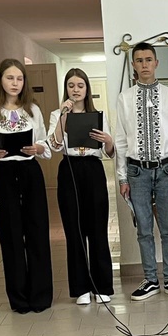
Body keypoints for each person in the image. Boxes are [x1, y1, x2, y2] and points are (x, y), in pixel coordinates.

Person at [115, 42, 168, 300]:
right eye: (139, 60)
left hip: (167, 170)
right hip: (137, 173)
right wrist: (122, 177)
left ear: (156, 63)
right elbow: (121, 140)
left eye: (148, 59)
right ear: (133, 65)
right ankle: (150, 279)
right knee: (144, 229)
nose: (144, 64)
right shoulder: (125, 98)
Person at [0, 58, 53, 314]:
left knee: (37, 231)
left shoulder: (32, 109)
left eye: (19, 78)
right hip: (5, 172)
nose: (15, 83)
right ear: (0, 80)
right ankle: (19, 298)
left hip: (30, 171)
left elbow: (44, 142)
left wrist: (38, 148)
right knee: (11, 234)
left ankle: (40, 295)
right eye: (10, 78)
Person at [48, 68, 115, 306]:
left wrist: (108, 141)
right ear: (65, 88)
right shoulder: (58, 114)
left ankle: (102, 285)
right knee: (74, 230)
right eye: (71, 85)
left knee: (97, 229)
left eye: (80, 85)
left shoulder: (98, 114)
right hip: (70, 169)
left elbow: (109, 152)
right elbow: (54, 145)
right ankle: (81, 288)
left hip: (93, 170)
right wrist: (63, 117)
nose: (75, 90)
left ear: (87, 88)